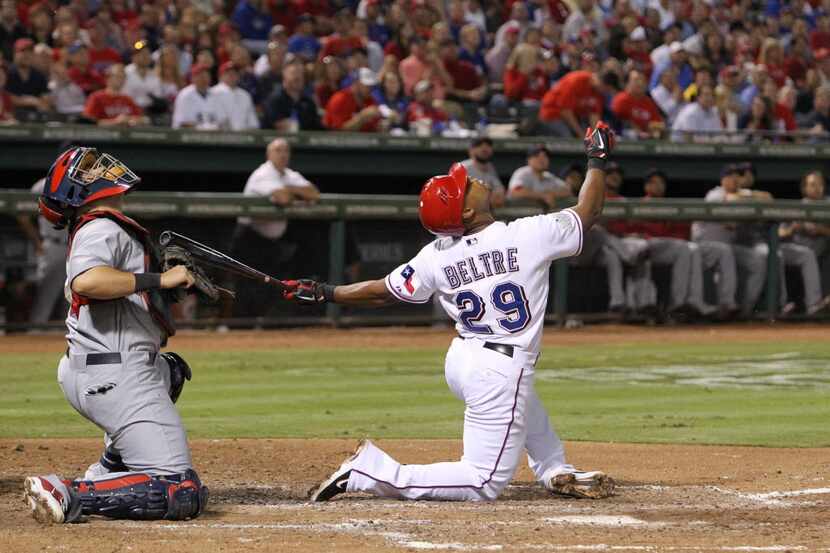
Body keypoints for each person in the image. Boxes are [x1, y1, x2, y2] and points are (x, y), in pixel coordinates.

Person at [283, 122, 617, 503]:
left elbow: (382, 292)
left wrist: (326, 292)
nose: (472, 179)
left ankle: (554, 467)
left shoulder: (437, 254)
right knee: (483, 481)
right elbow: (587, 211)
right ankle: (371, 472)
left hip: (463, 359)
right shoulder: (525, 234)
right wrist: (598, 157)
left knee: (521, 395)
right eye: (465, 185)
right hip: (497, 367)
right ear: (469, 210)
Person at [24, 146, 208, 524]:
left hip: (100, 366)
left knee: (168, 371)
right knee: (178, 489)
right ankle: (68, 491)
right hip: (112, 375)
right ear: (78, 190)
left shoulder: (101, 225)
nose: (103, 169)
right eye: (90, 169)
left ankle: (111, 465)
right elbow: (87, 282)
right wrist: (161, 278)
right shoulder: (100, 225)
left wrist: (162, 287)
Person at [230, 138, 320, 316]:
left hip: (270, 243)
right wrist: (294, 192)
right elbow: (284, 199)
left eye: (286, 150)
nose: (283, 154)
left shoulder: (288, 174)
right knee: (245, 287)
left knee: (269, 287)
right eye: (278, 150)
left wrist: (287, 188)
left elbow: (314, 194)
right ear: (269, 154)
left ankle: (259, 326)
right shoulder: (263, 174)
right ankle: (234, 329)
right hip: (249, 237)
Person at [783, 171, 830, 298]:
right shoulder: (798, 207)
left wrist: (822, 230)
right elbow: (780, 233)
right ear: (805, 188)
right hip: (798, 250)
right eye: (813, 185)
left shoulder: (828, 203)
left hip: (821, 249)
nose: (817, 188)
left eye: (820, 185)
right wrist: (793, 228)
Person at [83, 64, 149, 127]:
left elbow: (143, 119)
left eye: (123, 77)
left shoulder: (127, 99)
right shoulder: (96, 97)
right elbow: (89, 122)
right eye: (118, 76)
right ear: (108, 77)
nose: (121, 80)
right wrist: (115, 121)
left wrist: (131, 119)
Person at [507, 145, 572, 209]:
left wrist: (552, 194)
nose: (541, 159)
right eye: (536, 156)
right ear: (529, 160)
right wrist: (542, 196)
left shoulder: (548, 176)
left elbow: (567, 190)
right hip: (516, 214)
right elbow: (515, 192)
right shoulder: (522, 173)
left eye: (545, 156)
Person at [263, 62, 322, 131]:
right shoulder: (274, 100)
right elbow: (280, 126)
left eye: (301, 74)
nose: (298, 77)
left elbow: (316, 127)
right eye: (294, 73)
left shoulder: (309, 102)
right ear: (284, 78)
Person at [323, 67, 382, 132]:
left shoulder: (370, 100)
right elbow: (338, 132)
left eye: (371, 86)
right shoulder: (340, 98)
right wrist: (362, 117)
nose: (370, 89)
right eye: (366, 85)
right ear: (356, 83)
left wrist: (381, 126)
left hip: (362, 140)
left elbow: (374, 127)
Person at [171, 63, 229, 130]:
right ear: (192, 78)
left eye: (206, 75)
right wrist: (204, 128)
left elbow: (223, 120)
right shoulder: (185, 95)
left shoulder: (216, 95)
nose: (204, 78)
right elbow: (182, 123)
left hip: (212, 137)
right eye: (200, 75)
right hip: (188, 137)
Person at [210, 61, 259, 131]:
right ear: (220, 76)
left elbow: (253, 123)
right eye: (228, 73)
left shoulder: (245, 95)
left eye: (235, 73)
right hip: (219, 136)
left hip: (243, 138)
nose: (232, 75)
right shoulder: (213, 93)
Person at [460, 136, 506, 208]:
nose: (484, 148)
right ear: (471, 150)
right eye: (479, 145)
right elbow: (457, 194)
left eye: (488, 145)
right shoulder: (462, 167)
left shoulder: (490, 168)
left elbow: (499, 191)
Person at [123, 40, 163, 111]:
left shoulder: (154, 75)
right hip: (129, 111)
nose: (145, 56)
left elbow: (158, 96)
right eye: (142, 54)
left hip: (150, 111)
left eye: (147, 54)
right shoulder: (125, 72)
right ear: (134, 57)